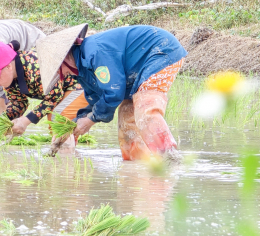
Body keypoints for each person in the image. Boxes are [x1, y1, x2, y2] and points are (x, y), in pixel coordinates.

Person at [36, 24, 188, 161]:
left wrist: (90, 120)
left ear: (63, 59)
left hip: (160, 51)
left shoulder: (95, 52)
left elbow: (114, 91)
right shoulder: (81, 70)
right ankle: (137, 167)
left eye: (57, 70)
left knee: (145, 107)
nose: (61, 75)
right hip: (135, 75)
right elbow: (96, 99)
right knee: (127, 125)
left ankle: (170, 157)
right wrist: (73, 126)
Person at [0, 41, 88, 152]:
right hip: (62, 91)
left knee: (59, 119)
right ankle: (65, 159)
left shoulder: (35, 66)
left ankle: (66, 163)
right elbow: (18, 103)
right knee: (57, 126)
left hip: (81, 86)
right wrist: (5, 123)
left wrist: (25, 121)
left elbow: (54, 97)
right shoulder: (9, 78)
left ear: (8, 67)